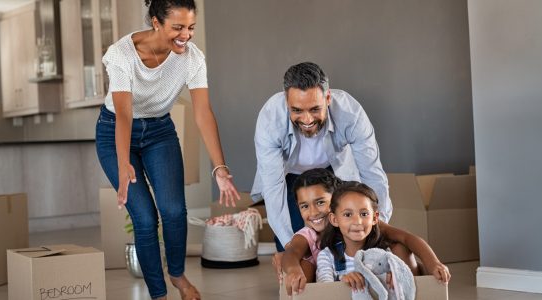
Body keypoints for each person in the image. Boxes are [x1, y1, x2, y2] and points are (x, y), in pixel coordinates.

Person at [95, 0, 239, 299]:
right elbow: (123, 113)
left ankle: (177, 275)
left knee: (174, 210)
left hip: (160, 131)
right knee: (145, 218)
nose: (185, 35)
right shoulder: (121, 54)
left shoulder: (192, 58)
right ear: (156, 22)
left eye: (190, 28)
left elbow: (202, 112)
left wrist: (220, 167)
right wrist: (124, 162)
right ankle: (158, 293)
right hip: (115, 132)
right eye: (177, 27)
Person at [252, 62, 392, 273]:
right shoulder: (270, 119)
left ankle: (340, 276)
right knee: (296, 248)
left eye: (315, 109)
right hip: (290, 175)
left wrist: (378, 228)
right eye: (297, 110)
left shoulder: (350, 113)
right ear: (286, 101)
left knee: (344, 229)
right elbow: (273, 188)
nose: (307, 119)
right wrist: (291, 248)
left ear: (328, 99)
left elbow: (372, 173)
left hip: (335, 171)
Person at [281, 169, 450, 295]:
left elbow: (407, 237)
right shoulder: (311, 237)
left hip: (375, 278)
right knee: (304, 264)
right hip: (332, 280)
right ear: (334, 218)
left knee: (399, 247)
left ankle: (408, 292)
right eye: (305, 206)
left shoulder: (363, 224)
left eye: (320, 202)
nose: (314, 212)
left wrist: (433, 263)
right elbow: (292, 252)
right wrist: (293, 270)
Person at [316, 182, 451, 291]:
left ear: (375, 218)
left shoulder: (383, 254)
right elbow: (325, 288)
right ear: (334, 219)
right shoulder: (327, 256)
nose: (357, 221)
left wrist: (396, 277)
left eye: (364, 214)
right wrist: (343, 281)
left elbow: (395, 276)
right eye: (347, 214)